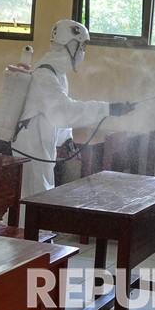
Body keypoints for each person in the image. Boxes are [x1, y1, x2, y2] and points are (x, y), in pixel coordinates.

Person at [13, 19, 135, 198]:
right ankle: (24, 227)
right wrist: (107, 109)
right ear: (70, 45)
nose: (82, 53)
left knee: (40, 194)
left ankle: (34, 226)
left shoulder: (57, 75)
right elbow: (64, 112)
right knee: (31, 196)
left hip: (42, 144)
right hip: (30, 147)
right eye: (82, 47)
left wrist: (66, 139)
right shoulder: (44, 75)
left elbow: (58, 112)